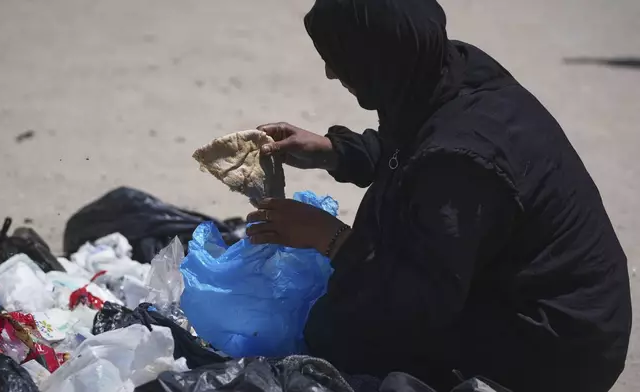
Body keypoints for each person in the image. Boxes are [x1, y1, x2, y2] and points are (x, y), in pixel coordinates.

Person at [244, 0, 632, 391]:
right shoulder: (446, 71)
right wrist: (335, 152)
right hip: (543, 304)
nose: (330, 72)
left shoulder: (461, 160)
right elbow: (413, 152)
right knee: (340, 317)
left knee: (346, 337)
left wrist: (330, 238)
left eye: (341, 56)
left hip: (556, 348)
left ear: (380, 55)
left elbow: (415, 301)